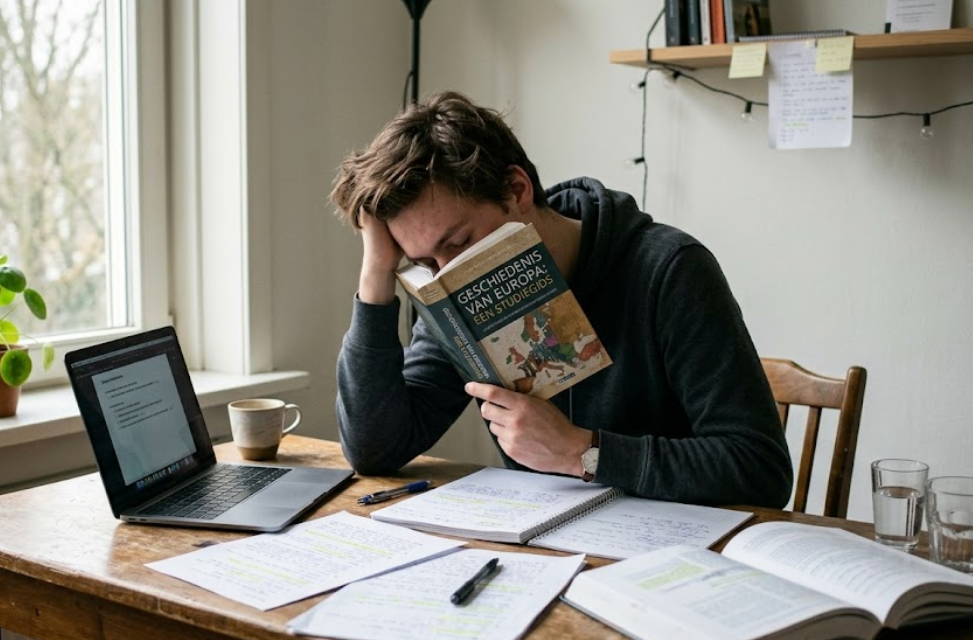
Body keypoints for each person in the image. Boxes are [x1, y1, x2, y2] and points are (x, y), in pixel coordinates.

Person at [330, 91, 792, 507]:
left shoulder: (670, 269)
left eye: (459, 242)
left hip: (678, 553)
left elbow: (759, 469)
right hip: (544, 547)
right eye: (426, 262)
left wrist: (581, 451)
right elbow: (375, 449)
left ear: (516, 190)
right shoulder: (454, 292)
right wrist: (376, 276)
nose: (448, 272)